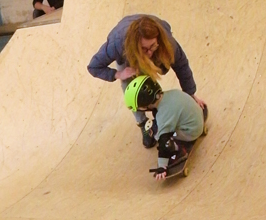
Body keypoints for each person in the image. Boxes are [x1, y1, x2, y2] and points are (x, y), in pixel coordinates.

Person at [87, 14, 206, 148]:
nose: (149, 52)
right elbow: (93, 67)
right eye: (144, 49)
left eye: (152, 46)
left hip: (155, 46)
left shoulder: (168, 42)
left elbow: (182, 66)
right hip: (128, 55)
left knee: (152, 78)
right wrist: (119, 74)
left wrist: (190, 94)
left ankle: (160, 111)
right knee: (131, 87)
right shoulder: (117, 44)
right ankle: (143, 124)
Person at [124, 75, 207, 181]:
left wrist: (162, 166)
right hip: (197, 117)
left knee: (156, 130)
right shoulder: (172, 93)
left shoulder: (163, 115)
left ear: (144, 105)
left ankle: (178, 151)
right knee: (162, 123)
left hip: (191, 132)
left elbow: (164, 142)